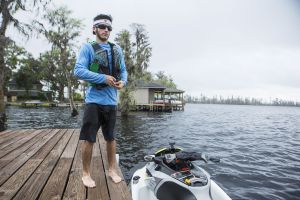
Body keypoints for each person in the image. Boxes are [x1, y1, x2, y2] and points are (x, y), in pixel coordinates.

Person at [74, 14, 127, 188]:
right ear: (94, 29)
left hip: (111, 102)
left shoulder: (117, 49)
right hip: (94, 101)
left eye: (109, 28)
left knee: (111, 138)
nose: (106, 30)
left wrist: (123, 82)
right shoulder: (88, 48)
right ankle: (86, 173)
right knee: (89, 138)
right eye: (102, 27)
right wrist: (102, 78)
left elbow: (124, 71)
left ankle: (112, 170)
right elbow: (79, 71)